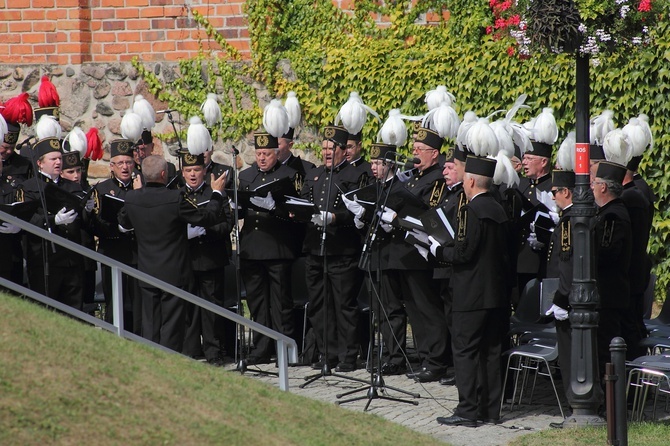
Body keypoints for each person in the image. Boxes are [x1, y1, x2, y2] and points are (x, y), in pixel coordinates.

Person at [118, 155, 227, 352]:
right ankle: (169, 361)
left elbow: (123, 224)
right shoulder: (174, 198)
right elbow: (207, 217)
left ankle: (150, 361)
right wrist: (217, 193)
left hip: (146, 270)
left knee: (150, 323)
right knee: (172, 325)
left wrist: (136, 196)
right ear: (163, 174)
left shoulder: (132, 197)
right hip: (173, 271)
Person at [433, 155, 511, 427]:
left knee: (465, 351)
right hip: (496, 294)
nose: (464, 185)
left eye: (465, 180)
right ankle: (490, 410)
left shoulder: (470, 210)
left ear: (473, 181)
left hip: (471, 293)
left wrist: (439, 250)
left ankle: (467, 410)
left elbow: (465, 252)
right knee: (490, 351)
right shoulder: (499, 210)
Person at [382, 126, 449, 383]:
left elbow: (430, 212)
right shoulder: (410, 178)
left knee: (427, 308)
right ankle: (424, 358)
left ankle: (436, 361)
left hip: (421, 253)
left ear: (434, 153)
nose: (415, 153)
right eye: (414, 149)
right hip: (404, 252)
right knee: (414, 310)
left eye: (420, 150)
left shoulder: (436, 179)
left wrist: (399, 218)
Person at [235, 131, 303, 364]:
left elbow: (296, 214)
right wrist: (235, 204)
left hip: (277, 247)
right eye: (258, 153)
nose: (262, 158)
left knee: (281, 302)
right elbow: (241, 212)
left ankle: (284, 347)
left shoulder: (290, 175)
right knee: (257, 303)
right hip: (252, 248)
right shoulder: (246, 175)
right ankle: (261, 348)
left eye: (266, 154)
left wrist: (275, 208)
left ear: (276, 153)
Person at [300, 125, 364, 372]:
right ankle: (328, 354)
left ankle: (348, 356)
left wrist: (335, 218)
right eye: (324, 148)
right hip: (315, 248)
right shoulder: (315, 175)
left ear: (342, 151)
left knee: (343, 305)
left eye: (331, 148)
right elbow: (305, 200)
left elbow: (358, 211)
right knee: (319, 305)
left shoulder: (354, 175)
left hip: (342, 250)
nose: (327, 152)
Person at [19, 137, 94, 310]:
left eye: (59, 158)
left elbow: (86, 225)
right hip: (44, 259)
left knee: (73, 312)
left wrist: (88, 211)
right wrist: (54, 220)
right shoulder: (29, 187)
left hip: (71, 259)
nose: (58, 162)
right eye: (53, 159)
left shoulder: (73, 187)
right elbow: (29, 219)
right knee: (46, 311)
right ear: (40, 163)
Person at [180, 152, 233, 366]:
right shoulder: (178, 195)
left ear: (204, 171)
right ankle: (191, 350)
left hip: (211, 258)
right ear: (183, 173)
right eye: (188, 171)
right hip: (188, 260)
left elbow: (226, 223)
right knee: (189, 308)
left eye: (197, 170)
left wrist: (206, 231)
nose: (193, 174)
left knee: (212, 307)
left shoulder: (216, 193)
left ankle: (214, 352)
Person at [92, 139, 142, 332]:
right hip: (112, 251)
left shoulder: (140, 186)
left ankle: (139, 339)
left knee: (137, 302)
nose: (125, 167)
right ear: (111, 166)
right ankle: (113, 337)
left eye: (128, 162)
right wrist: (117, 229)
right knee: (115, 301)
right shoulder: (102, 189)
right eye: (120, 163)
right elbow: (97, 223)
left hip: (136, 252)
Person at [590, 160, 632, 375]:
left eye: (594, 183)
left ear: (603, 187)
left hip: (609, 293)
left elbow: (606, 254)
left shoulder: (612, 216)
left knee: (606, 350)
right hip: (607, 293)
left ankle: (611, 403)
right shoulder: (608, 212)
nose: (592, 187)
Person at [544, 170, 575, 400]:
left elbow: (566, 262)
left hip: (566, 296)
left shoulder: (569, 220)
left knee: (569, 354)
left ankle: (574, 400)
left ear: (566, 192)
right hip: (563, 292)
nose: (553, 197)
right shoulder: (567, 218)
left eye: (555, 192)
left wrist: (561, 297)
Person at [60, 150, 97, 312]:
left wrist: (90, 211)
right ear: (61, 172)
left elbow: (93, 227)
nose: (76, 176)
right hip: (67, 256)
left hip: (86, 254)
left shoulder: (85, 188)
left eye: (78, 170)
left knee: (87, 302)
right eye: (70, 172)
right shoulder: (59, 191)